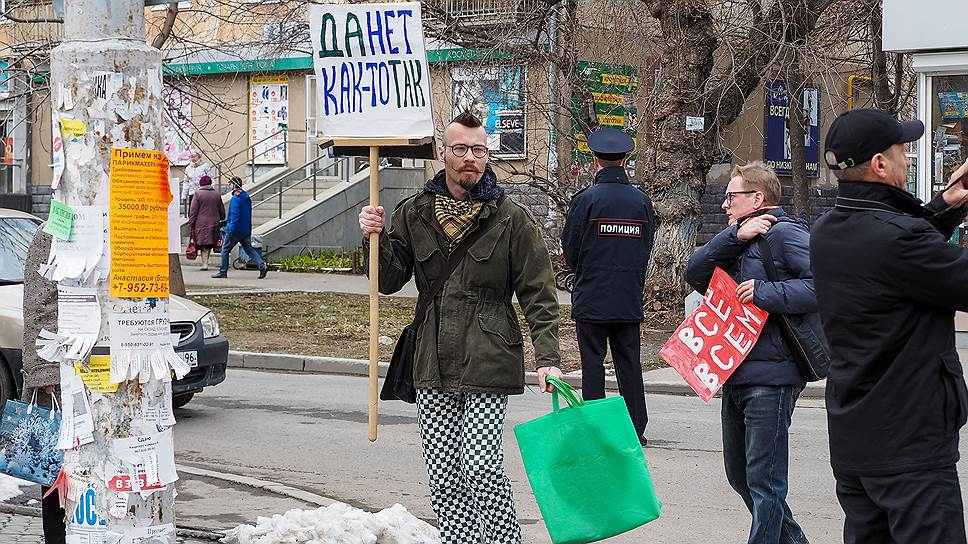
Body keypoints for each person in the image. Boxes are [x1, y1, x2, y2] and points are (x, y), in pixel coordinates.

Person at [357, 111, 563, 544]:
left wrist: (548, 359)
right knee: (445, 473)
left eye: (479, 150)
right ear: (443, 154)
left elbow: (538, 293)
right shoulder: (414, 213)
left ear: (487, 156)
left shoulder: (510, 218)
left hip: (489, 355)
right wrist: (371, 237)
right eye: (460, 149)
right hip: (432, 358)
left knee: (481, 465)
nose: (470, 157)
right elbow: (388, 280)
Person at [810, 108, 968, 544]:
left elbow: (890, 243)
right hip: (910, 449)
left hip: (857, 442)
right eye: (902, 150)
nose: (907, 159)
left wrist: (945, 204)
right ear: (881, 164)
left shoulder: (828, 231)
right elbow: (908, 251)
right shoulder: (900, 241)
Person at [684, 161, 814, 544]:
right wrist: (735, 237)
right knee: (740, 477)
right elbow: (694, 273)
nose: (725, 205)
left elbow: (823, 287)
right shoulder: (738, 239)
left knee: (765, 483)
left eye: (732, 197)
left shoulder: (786, 235)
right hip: (734, 370)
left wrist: (765, 293)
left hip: (773, 376)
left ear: (757, 198)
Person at [560, 127, 654, 446]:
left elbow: (570, 249)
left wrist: (584, 271)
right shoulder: (641, 202)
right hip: (627, 297)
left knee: (592, 364)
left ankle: (597, 429)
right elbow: (646, 247)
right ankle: (634, 427)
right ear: (626, 159)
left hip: (592, 296)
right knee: (629, 363)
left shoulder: (585, 200)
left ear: (595, 159)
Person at [22, 225, 65, 544]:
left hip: (99, 377)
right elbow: (38, 304)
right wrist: (45, 372)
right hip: (60, 376)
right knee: (53, 471)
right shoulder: (52, 231)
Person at [213, 176, 267, 279]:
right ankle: (262, 265)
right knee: (249, 249)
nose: (229, 186)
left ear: (234, 185)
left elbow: (235, 215)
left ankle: (223, 271)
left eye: (230, 184)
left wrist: (230, 229)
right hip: (245, 229)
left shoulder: (236, 199)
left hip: (235, 230)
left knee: (225, 250)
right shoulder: (246, 197)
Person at [188, 175, 225, 271]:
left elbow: (193, 210)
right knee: (208, 243)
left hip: (201, 223)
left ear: (201, 184)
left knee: (203, 243)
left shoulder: (198, 194)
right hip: (214, 222)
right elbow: (221, 209)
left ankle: (204, 263)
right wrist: (222, 217)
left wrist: (191, 221)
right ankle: (206, 262)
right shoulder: (216, 194)